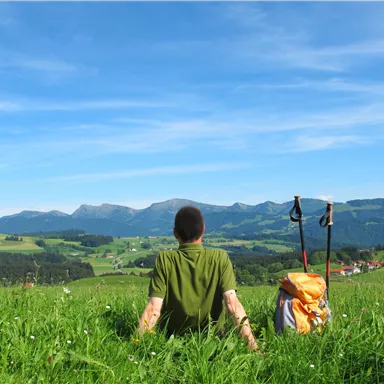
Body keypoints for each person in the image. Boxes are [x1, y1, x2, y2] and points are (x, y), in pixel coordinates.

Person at [138, 205, 258, 350]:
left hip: (171, 343)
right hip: (213, 343)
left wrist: (138, 345)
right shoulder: (219, 258)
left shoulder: (165, 259)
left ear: (175, 233)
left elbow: (153, 309)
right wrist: (253, 347)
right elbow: (232, 305)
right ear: (203, 230)